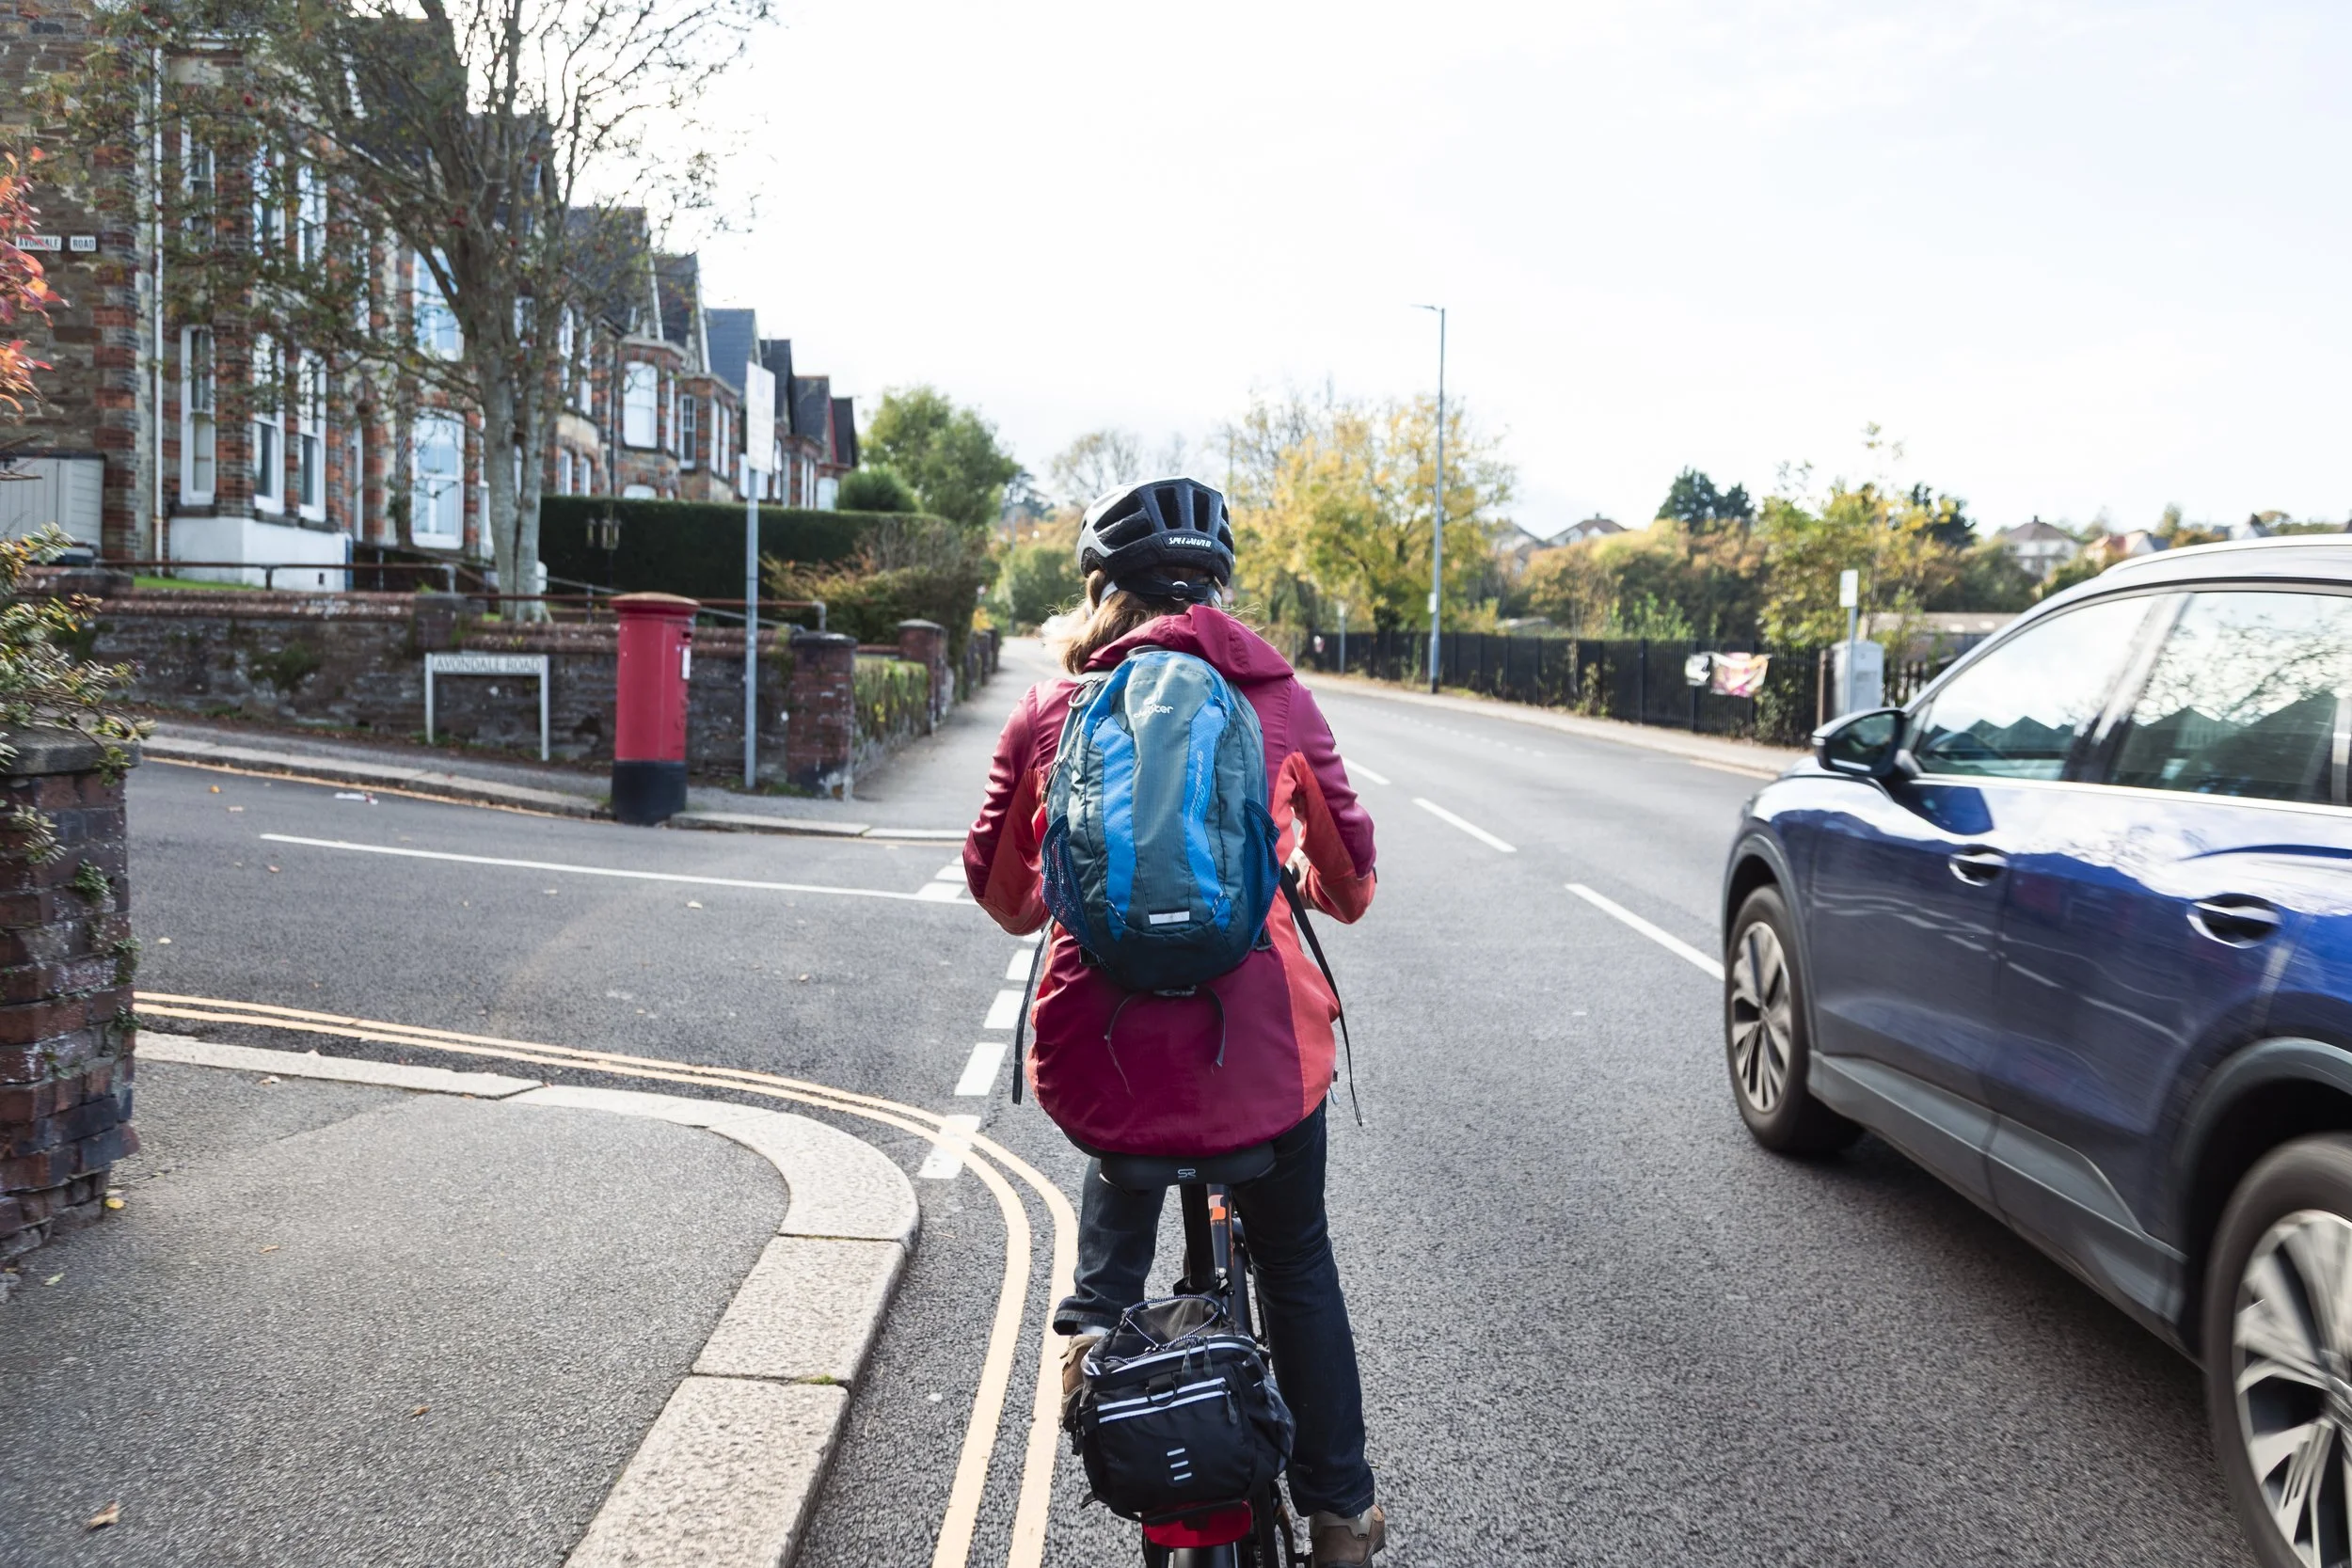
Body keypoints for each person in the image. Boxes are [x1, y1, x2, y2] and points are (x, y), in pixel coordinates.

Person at [962, 477, 1387, 1565]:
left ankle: (1093, 1330)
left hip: (1101, 1059)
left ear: (1099, 590)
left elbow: (1006, 895)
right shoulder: (1274, 697)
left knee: (1128, 1139)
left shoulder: (1056, 710)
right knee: (1295, 1259)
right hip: (1262, 1060)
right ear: (1218, 589)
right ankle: (1339, 1511)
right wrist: (1286, 866)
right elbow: (1353, 884)